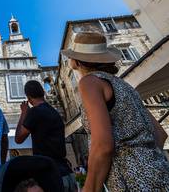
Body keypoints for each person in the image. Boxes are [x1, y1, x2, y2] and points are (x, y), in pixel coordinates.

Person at [62, 32, 169, 191]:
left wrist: (90, 188)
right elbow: (160, 134)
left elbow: (103, 145)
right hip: (159, 171)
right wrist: (145, 162)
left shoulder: (89, 82)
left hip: (131, 180)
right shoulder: (124, 86)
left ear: (76, 61)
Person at [15, 80, 76, 192]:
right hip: (67, 172)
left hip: (51, 175)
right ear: (43, 92)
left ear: (28, 97)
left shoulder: (34, 112)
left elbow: (18, 138)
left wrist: (24, 113)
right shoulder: (54, 112)